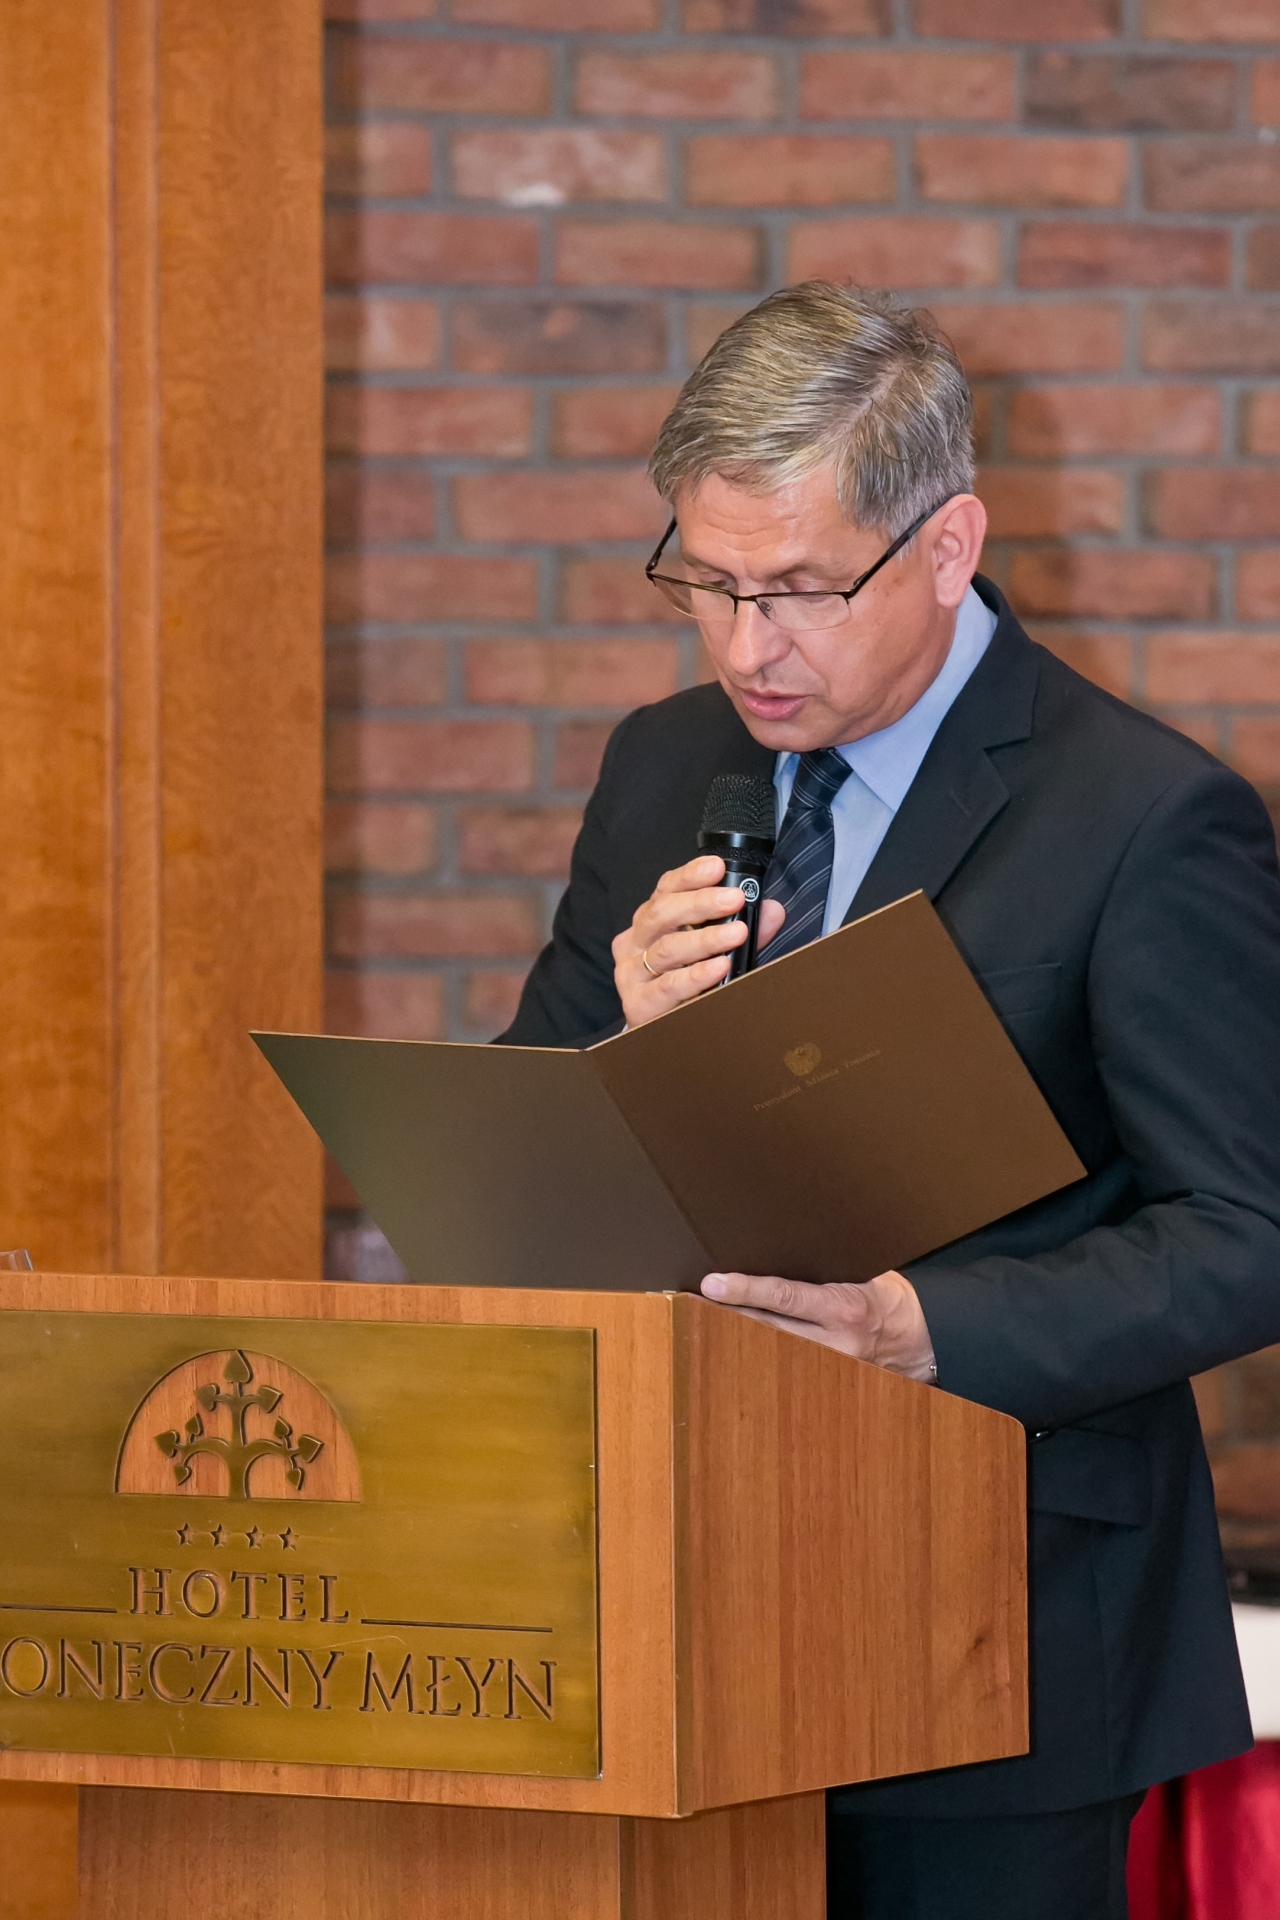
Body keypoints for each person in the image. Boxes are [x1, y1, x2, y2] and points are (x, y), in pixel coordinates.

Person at [498, 282, 1280, 1919]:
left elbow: (1250, 1232)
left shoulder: (1146, 816)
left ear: (945, 545)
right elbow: (510, 1189)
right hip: (677, 1612)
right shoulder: (661, 765)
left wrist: (925, 1329)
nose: (746, 649)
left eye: (797, 590)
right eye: (706, 584)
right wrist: (622, 1049)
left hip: (1003, 1636)